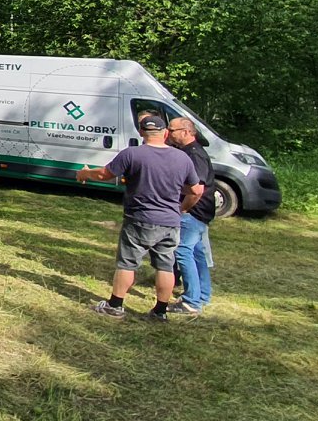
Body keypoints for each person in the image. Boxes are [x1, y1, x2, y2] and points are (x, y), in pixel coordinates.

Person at [77, 115, 204, 321]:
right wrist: (181, 209)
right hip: (170, 222)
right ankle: (160, 311)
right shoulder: (183, 159)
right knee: (165, 265)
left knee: (127, 263)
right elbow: (196, 190)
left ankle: (115, 306)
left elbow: (104, 175)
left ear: (141, 132)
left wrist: (84, 174)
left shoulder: (132, 154)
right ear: (164, 133)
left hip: (139, 219)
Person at [167, 116, 216, 315]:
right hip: (199, 212)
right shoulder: (187, 152)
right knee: (197, 254)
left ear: (186, 132)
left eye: (172, 130)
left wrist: (183, 209)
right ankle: (203, 295)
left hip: (194, 212)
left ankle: (191, 302)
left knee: (182, 252)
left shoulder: (195, 155)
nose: (169, 133)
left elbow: (197, 189)